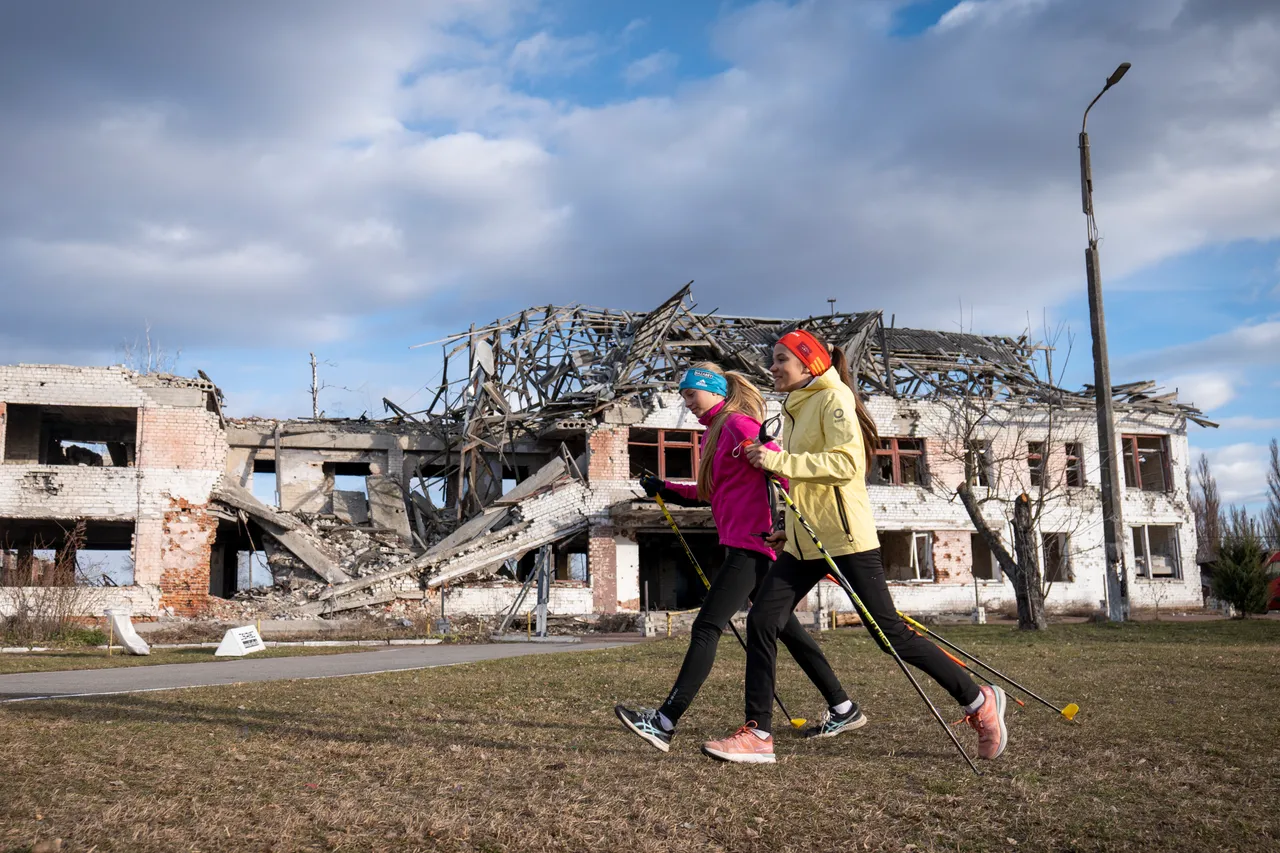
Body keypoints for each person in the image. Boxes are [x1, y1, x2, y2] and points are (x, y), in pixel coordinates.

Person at [699, 330, 1008, 765]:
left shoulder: (833, 399)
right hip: (804, 544)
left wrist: (774, 459)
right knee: (763, 621)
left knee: (890, 635)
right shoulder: (793, 407)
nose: (772, 368)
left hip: (847, 540)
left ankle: (979, 701)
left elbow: (847, 465)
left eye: (781, 360)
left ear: (809, 365)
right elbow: (803, 484)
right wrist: (786, 528)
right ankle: (759, 734)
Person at [615, 363, 867, 755]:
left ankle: (664, 722)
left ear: (715, 392)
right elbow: (709, 491)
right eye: (683, 396)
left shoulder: (739, 426)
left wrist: (796, 525)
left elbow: (786, 474)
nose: (688, 404)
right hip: (743, 544)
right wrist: (663, 488)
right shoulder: (714, 434)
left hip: (753, 544)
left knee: (707, 627)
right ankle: (844, 706)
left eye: (691, 394)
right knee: (786, 629)